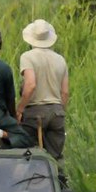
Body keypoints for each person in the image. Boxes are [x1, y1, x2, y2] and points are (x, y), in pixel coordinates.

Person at [17, 19, 69, 163]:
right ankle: (58, 182)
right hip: (57, 111)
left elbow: (30, 85)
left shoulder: (27, 57)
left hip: (35, 112)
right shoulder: (60, 59)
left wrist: (20, 109)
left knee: (29, 156)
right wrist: (60, 111)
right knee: (55, 157)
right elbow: (65, 93)